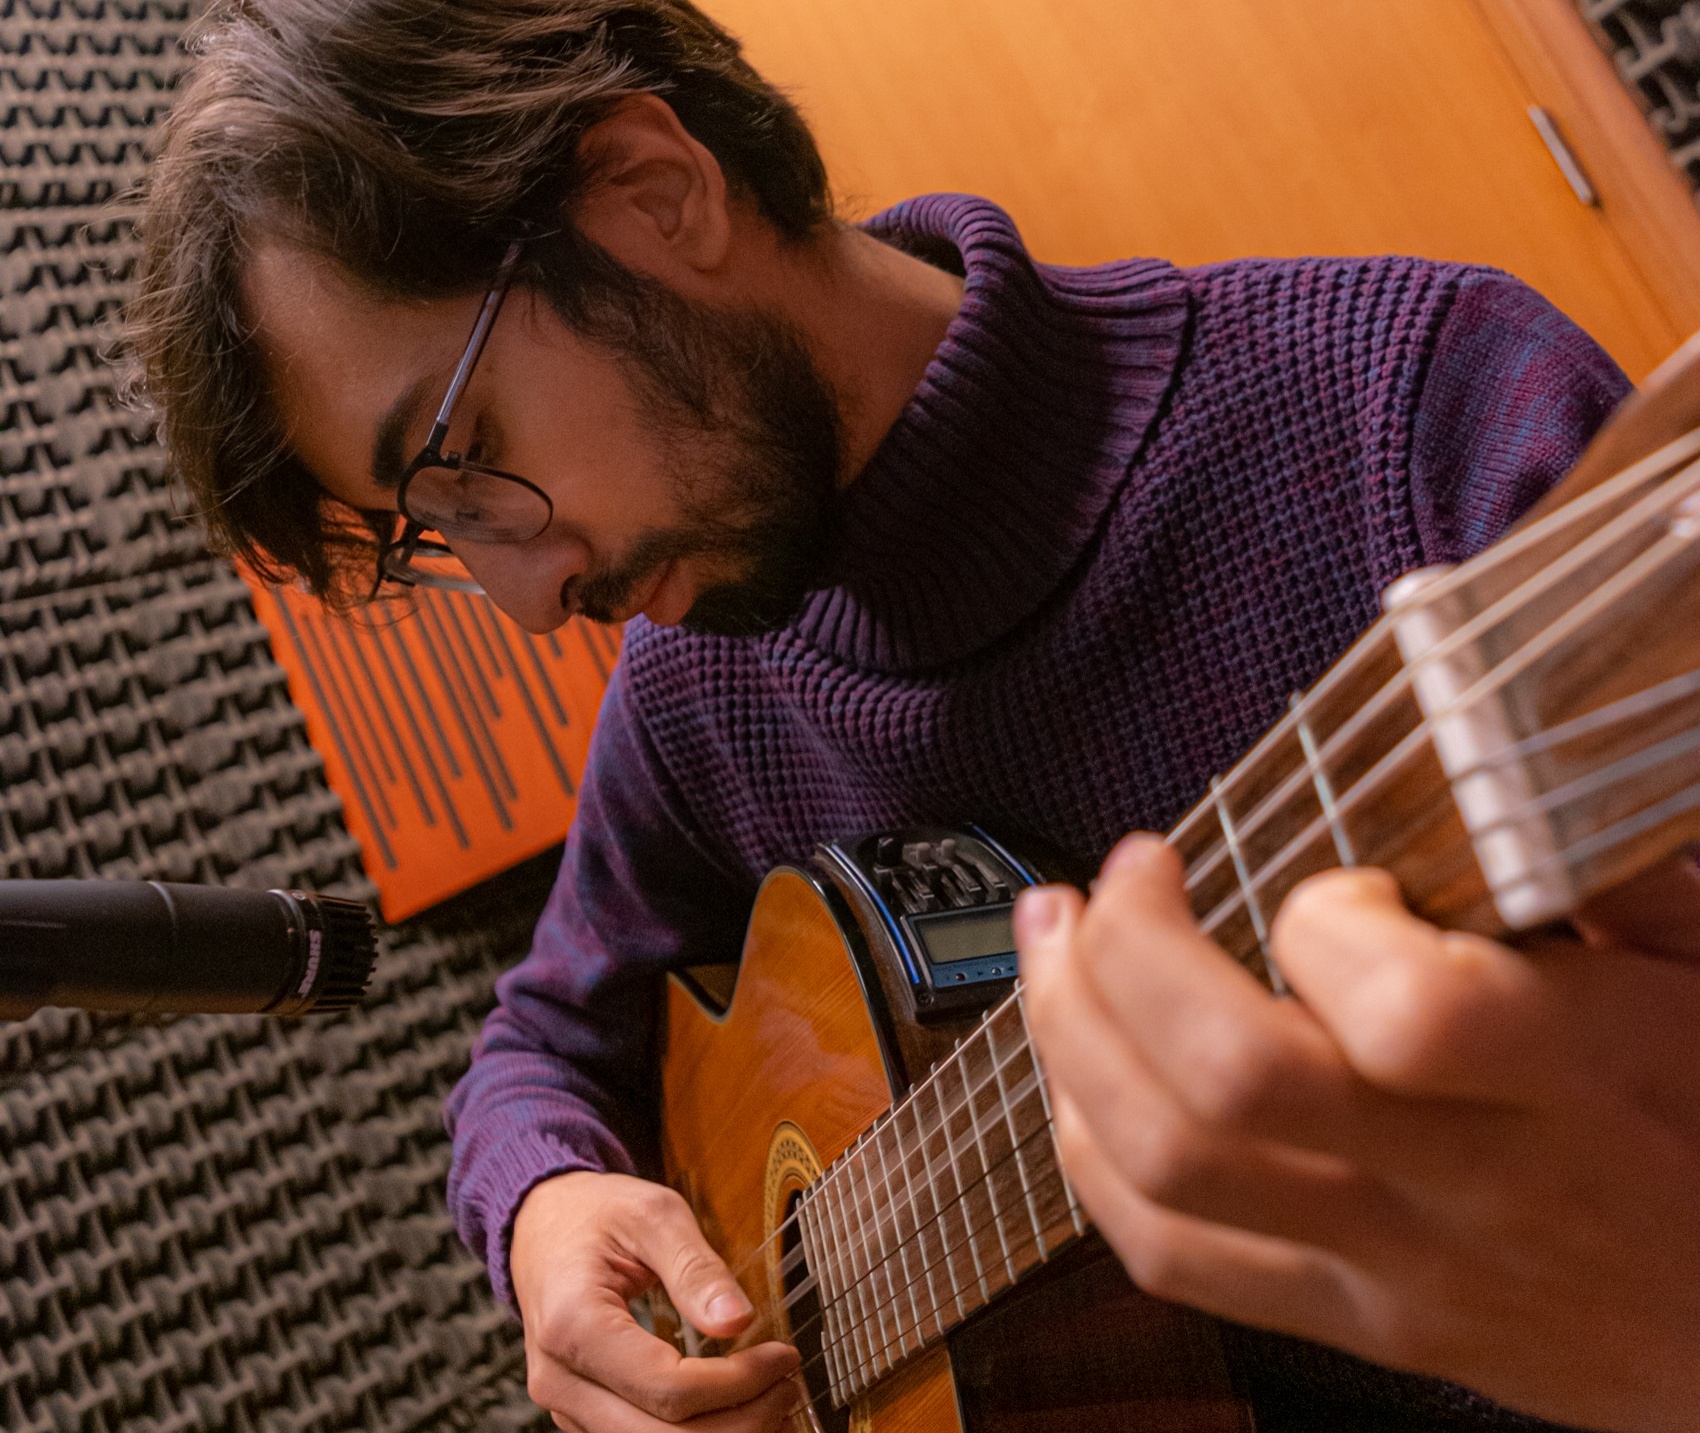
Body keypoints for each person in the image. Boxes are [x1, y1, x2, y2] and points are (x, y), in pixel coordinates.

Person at [127, 1, 1642, 1428]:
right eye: (439, 531)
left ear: (657, 193)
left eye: (468, 458)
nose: (530, 599)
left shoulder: (1415, 412)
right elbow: (541, 1041)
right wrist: (541, 1204)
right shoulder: (701, 697)